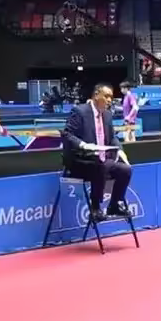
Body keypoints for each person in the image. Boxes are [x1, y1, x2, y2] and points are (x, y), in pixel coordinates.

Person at [61, 84, 134, 221]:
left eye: (111, 97)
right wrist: (84, 145)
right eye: (106, 96)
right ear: (96, 95)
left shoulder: (107, 115)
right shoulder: (80, 111)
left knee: (125, 169)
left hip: (101, 162)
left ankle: (114, 205)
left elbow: (112, 138)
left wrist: (120, 150)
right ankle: (95, 208)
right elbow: (67, 134)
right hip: (80, 162)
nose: (109, 100)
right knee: (100, 166)